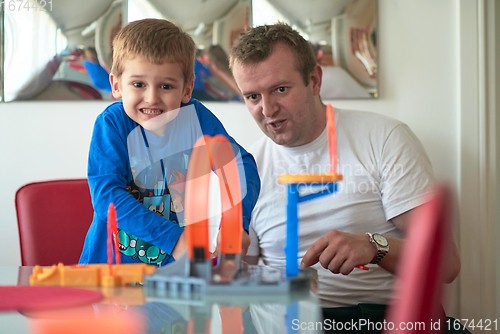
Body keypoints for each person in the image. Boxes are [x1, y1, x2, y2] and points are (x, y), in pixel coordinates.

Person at [229, 23, 465, 333]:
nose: (267, 109)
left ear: (314, 80)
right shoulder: (245, 170)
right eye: (252, 97)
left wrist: (374, 247)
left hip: (384, 318)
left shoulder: (383, 139)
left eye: (280, 89)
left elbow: (446, 265)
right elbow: (238, 279)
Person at [79, 19, 260, 267]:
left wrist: (236, 222)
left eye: (166, 86)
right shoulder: (112, 124)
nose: (152, 98)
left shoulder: (196, 118)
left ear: (186, 90)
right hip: (107, 279)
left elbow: (241, 165)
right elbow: (107, 197)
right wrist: (174, 240)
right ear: (116, 85)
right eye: (138, 84)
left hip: (174, 282)